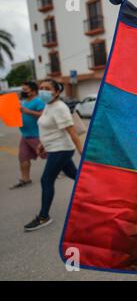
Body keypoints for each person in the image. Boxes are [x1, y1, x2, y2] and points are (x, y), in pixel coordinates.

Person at [24, 79, 83, 232]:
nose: (43, 90)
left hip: (61, 149)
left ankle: (44, 216)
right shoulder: (48, 106)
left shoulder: (59, 108)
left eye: (47, 88)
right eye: (41, 87)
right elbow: (49, 128)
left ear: (57, 92)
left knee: (46, 180)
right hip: (54, 148)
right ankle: (98, 195)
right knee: (76, 176)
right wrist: (42, 144)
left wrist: (82, 152)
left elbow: (72, 133)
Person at [10, 82, 46, 189]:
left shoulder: (39, 101)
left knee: (48, 155)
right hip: (25, 135)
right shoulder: (24, 101)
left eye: (25, 90)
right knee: (23, 157)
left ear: (33, 91)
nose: (23, 91)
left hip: (36, 135)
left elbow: (42, 115)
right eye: (23, 89)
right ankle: (25, 179)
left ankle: (65, 168)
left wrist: (28, 111)